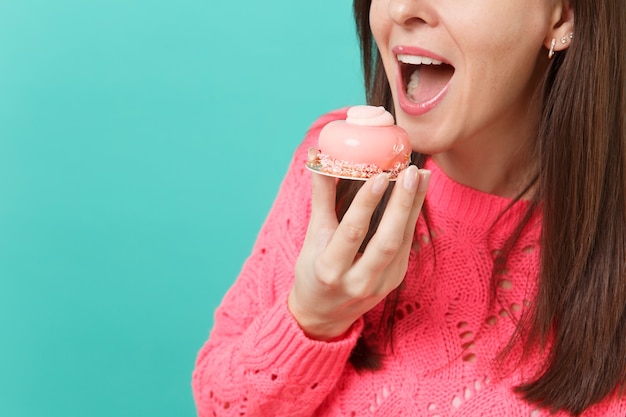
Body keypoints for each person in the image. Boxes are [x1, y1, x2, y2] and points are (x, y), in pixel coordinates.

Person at [192, 0, 626, 415]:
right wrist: (312, 317)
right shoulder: (339, 170)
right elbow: (220, 405)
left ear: (562, 17)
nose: (402, 8)